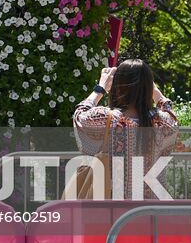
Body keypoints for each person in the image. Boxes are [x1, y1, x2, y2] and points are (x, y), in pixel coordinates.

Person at [72, 58, 179, 199]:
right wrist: (155, 91)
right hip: (149, 211)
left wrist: (100, 88)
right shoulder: (162, 122)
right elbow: (170, 113)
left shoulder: (105, 119)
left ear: (118, 86)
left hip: (111, 211)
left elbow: (79, 114)